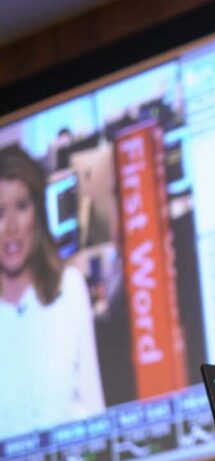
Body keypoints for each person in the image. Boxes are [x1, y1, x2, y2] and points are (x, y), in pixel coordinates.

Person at [0, 144, 105, 439]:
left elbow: (94, 405)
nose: (11, 227)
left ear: (38, 210)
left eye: (21, 206)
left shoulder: (69, 289)